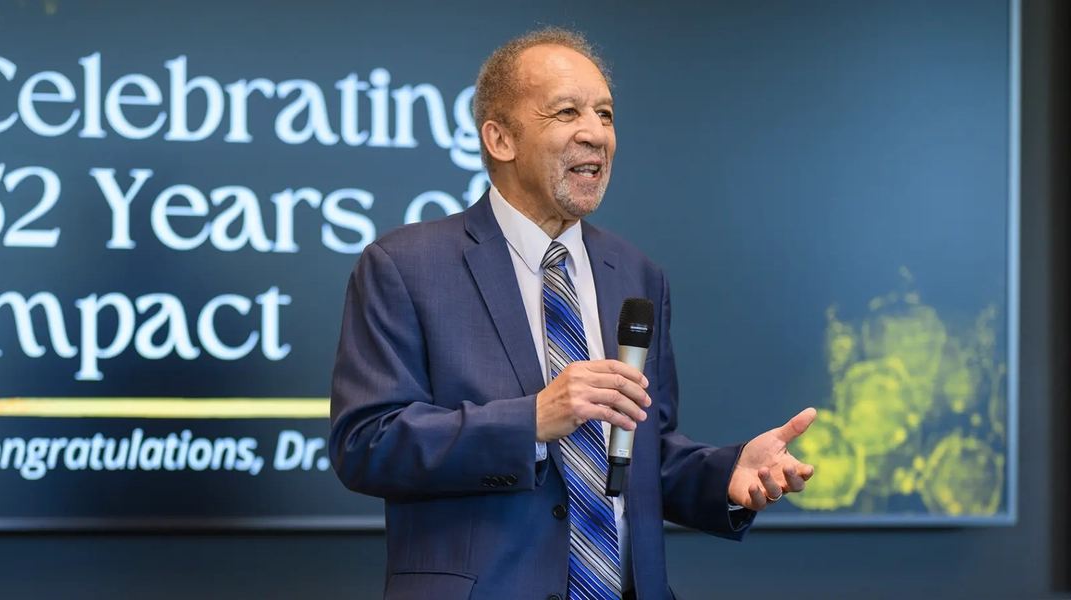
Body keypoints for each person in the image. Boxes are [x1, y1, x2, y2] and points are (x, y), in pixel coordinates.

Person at [329, 26, 817, 600]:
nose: (596, 134)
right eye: (567, 113)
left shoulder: (637, 274)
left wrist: (726, 476)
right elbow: (366, 444)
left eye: (606, 115)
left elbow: (636, 453)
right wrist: (531, 420)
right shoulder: (404, 265)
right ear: (500, 138)